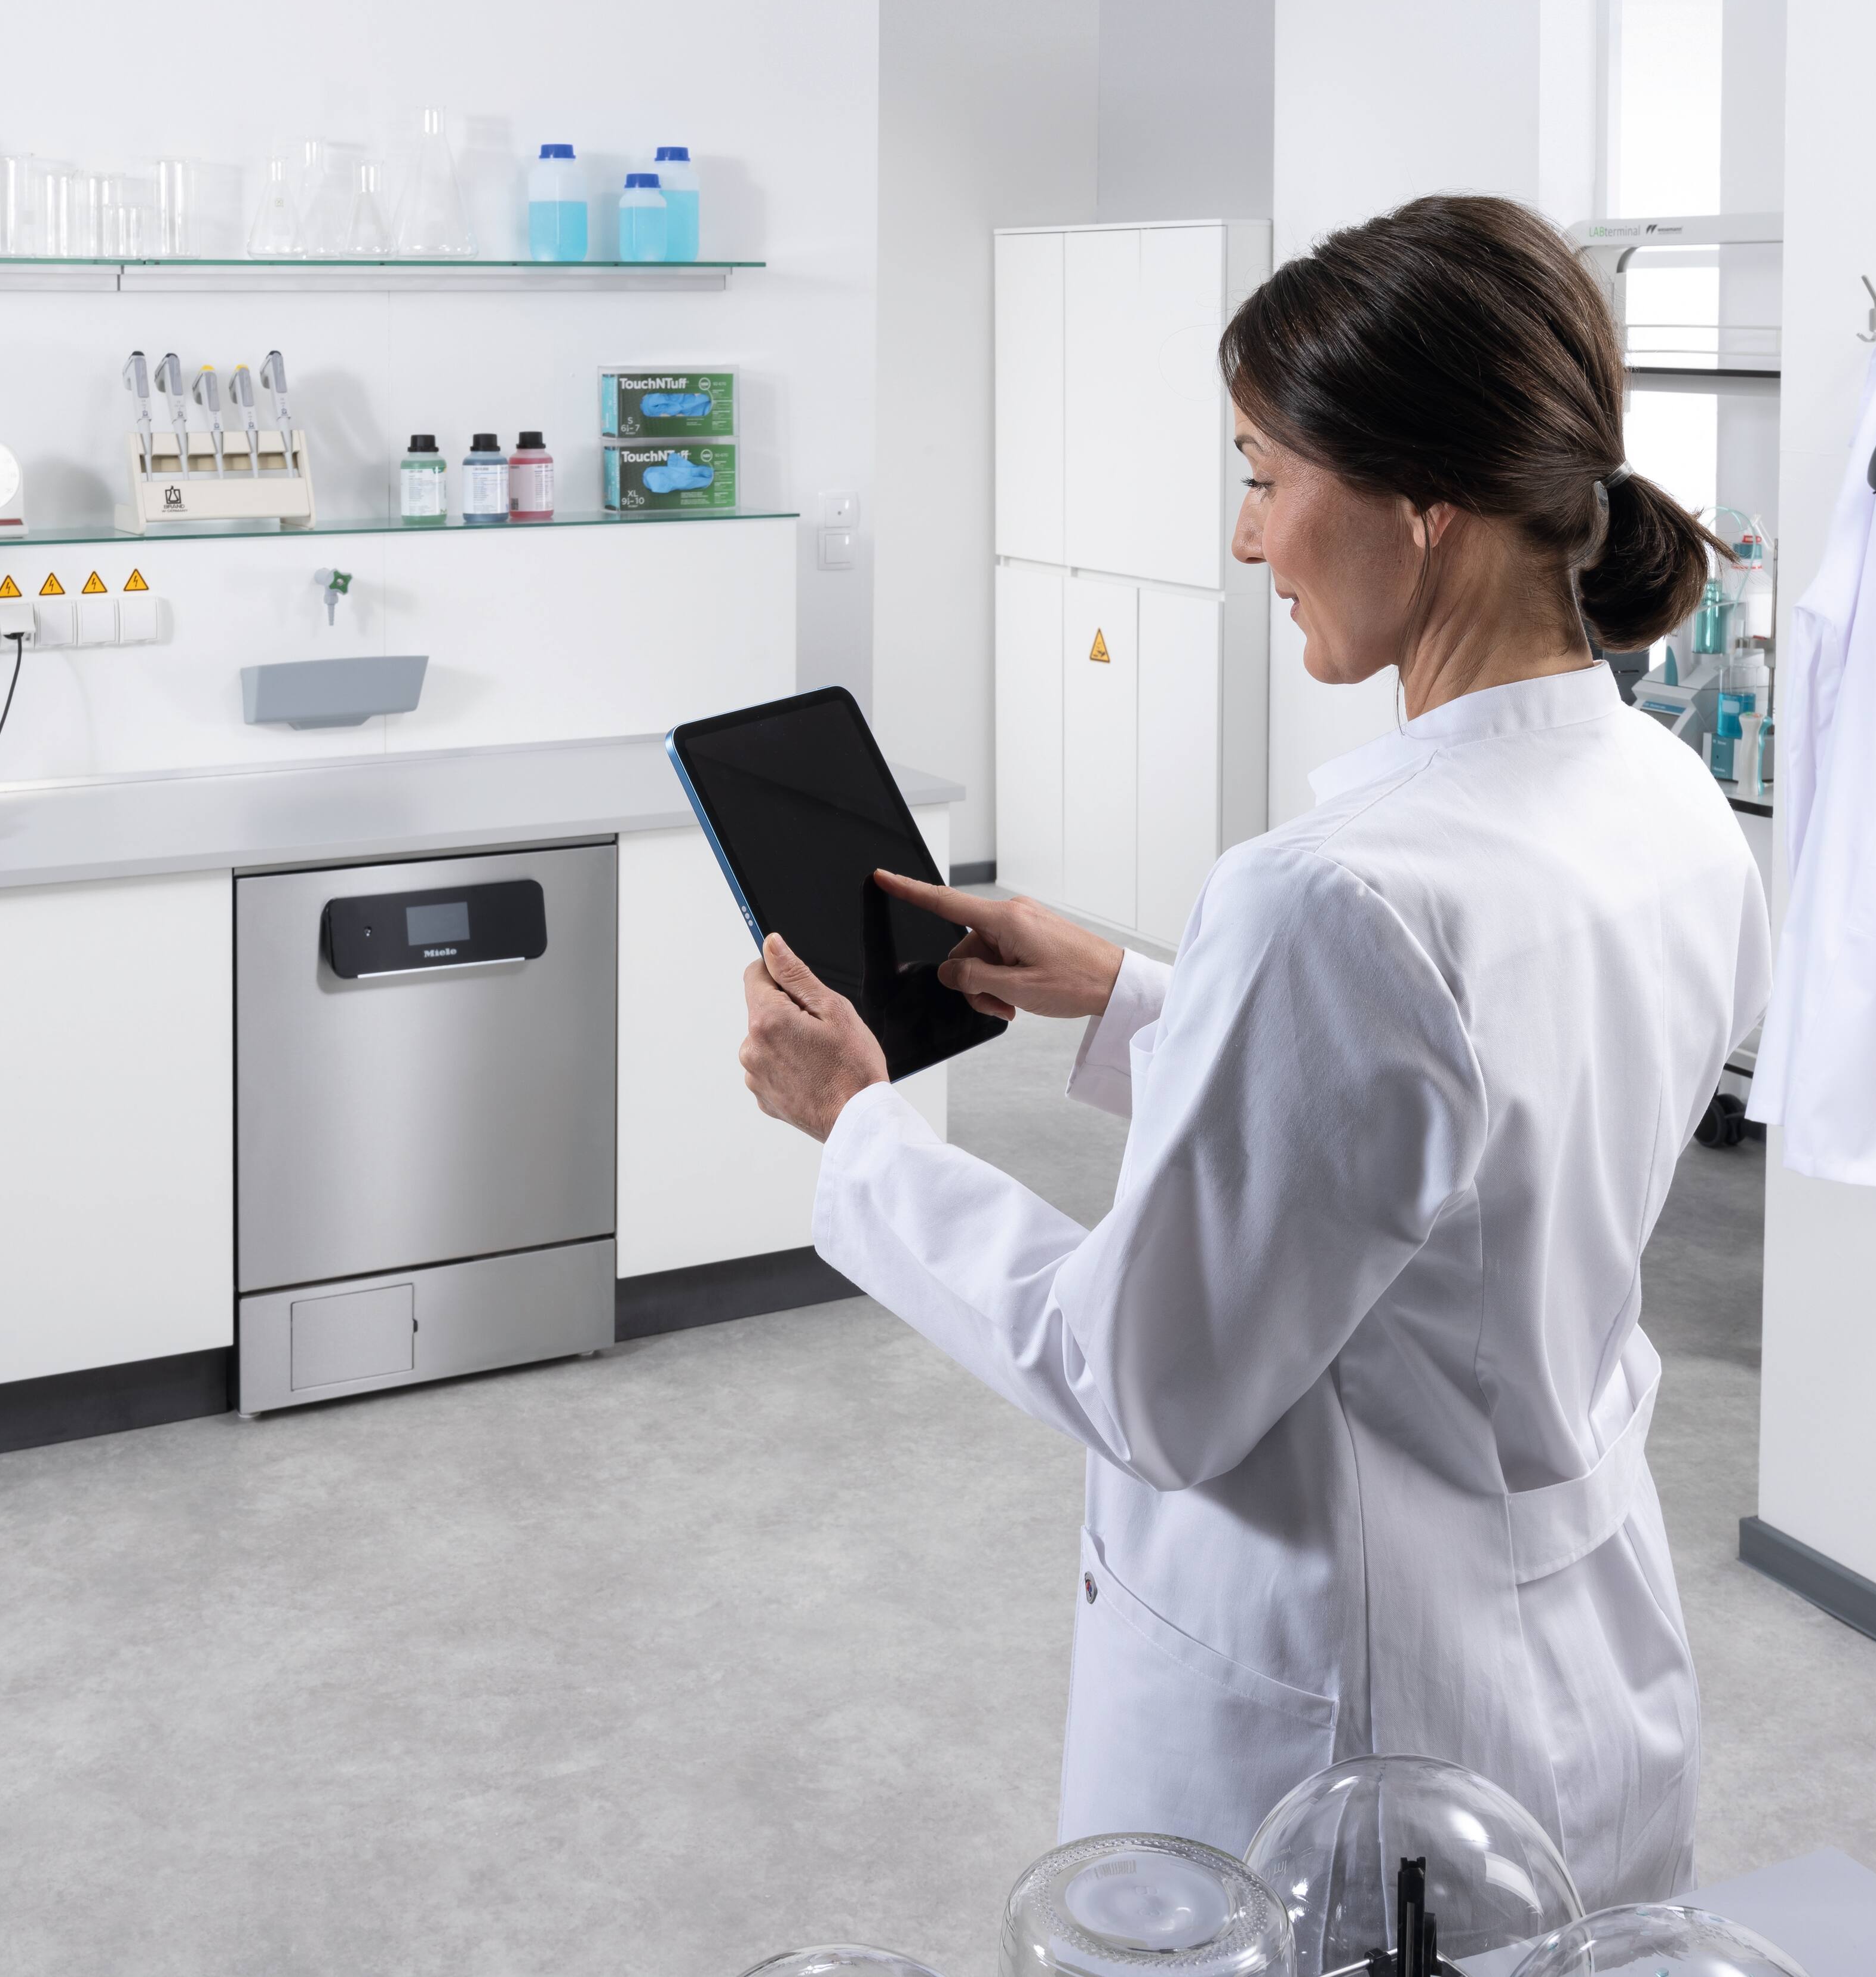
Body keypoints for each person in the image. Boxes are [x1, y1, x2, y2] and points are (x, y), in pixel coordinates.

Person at [733, 195, 1770, 1902]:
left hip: (1350, 1741)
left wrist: (861, 1135)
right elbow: (1454, 1157)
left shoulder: (1332, 896)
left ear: (1423, 504)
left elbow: (1146, 1380)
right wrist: (1144, 998)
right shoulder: (1671, 804)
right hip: (1581, 1678)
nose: (1243, 538)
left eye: (1265, 476)